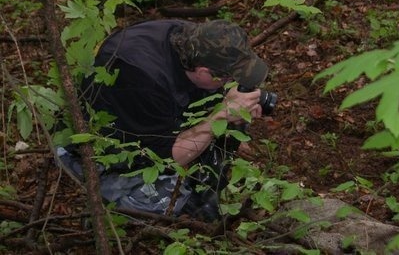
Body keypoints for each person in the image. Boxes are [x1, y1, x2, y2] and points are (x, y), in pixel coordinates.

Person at [58, 19, 269, 221]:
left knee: (236, 105)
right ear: (204, 72)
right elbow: (166, 158)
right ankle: (114, 201)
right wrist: (221, 115)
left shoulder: (190, 38)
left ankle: (205, 181)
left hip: (148, 110)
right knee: (161, 201)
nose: (230, 83)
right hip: (98, 144)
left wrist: (236, 101)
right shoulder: (142, 76)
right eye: (228, 79)